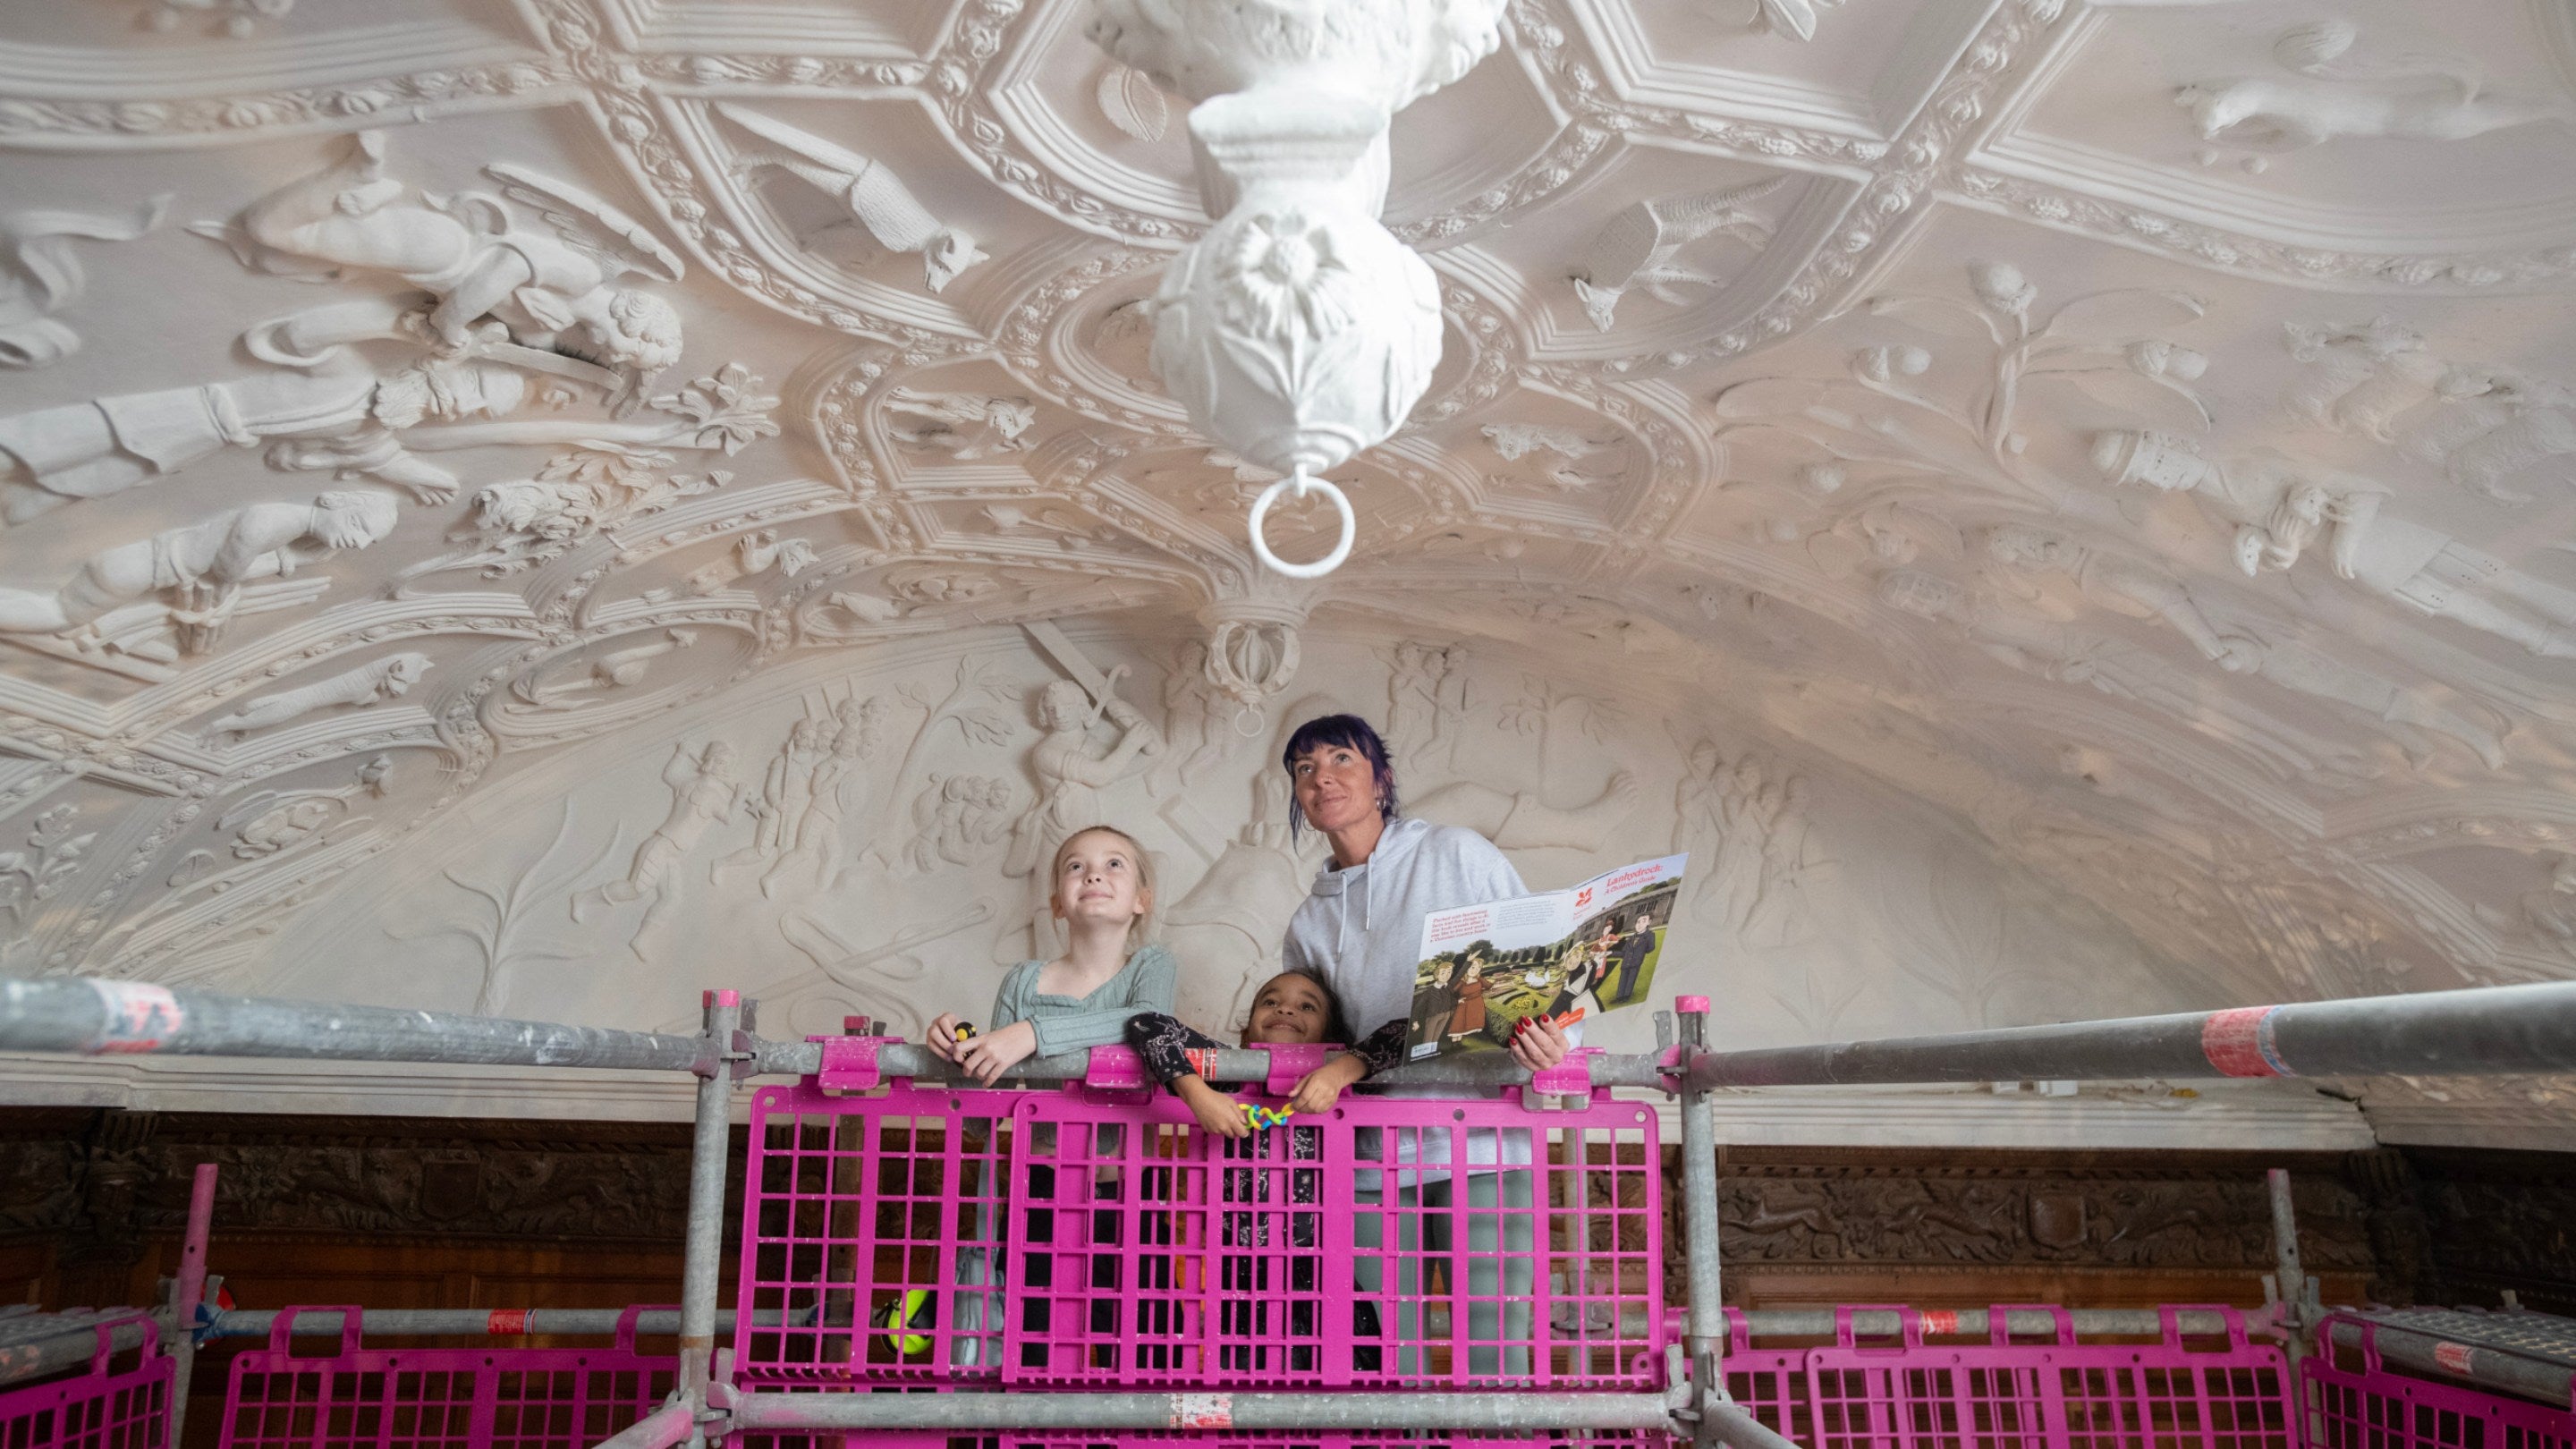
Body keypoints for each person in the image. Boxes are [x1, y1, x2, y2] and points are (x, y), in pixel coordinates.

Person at [1265, 713, 1571, 1376]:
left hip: (1486, 1143)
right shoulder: (1310, 920)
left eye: (1341, 759)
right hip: (1370, 1152)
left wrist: (1549, 1039)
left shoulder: (1457, 854)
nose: (1322, 778)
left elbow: (1539, 976)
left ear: (1382, 779)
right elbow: (1315, 1035)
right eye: (1303, 769)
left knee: (1492, 1353)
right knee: (1380, 1356)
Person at [920, 824, 1177, 1368]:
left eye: (1114, 865)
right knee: (1037, 1341)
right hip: (1039, 1193)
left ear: (1141, 900)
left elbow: (1144, 1023)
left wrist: (1032, 1035)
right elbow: (980, 1114)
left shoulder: (1151, 967)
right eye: (1076, 866)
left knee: (1135, 1341)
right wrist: (954, 1051)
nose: (1094, 875)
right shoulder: (1023, 980)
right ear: (1058, 902)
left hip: (1127, 1193)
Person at [1610, 908, 1658, 1005]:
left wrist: (1640, 953)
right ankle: (1619, 997)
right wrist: (1611, 953)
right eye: (1638, 921)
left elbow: (1651, 948)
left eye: (1644, 921)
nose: (1640, 924)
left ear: (1649, 922)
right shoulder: (1631, 938)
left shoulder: (1649, 935)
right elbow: (1623, 953)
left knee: (1631, 979)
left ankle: (1626, 996)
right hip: (1626, 962)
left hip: (1635, 963)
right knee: (1623, 980)